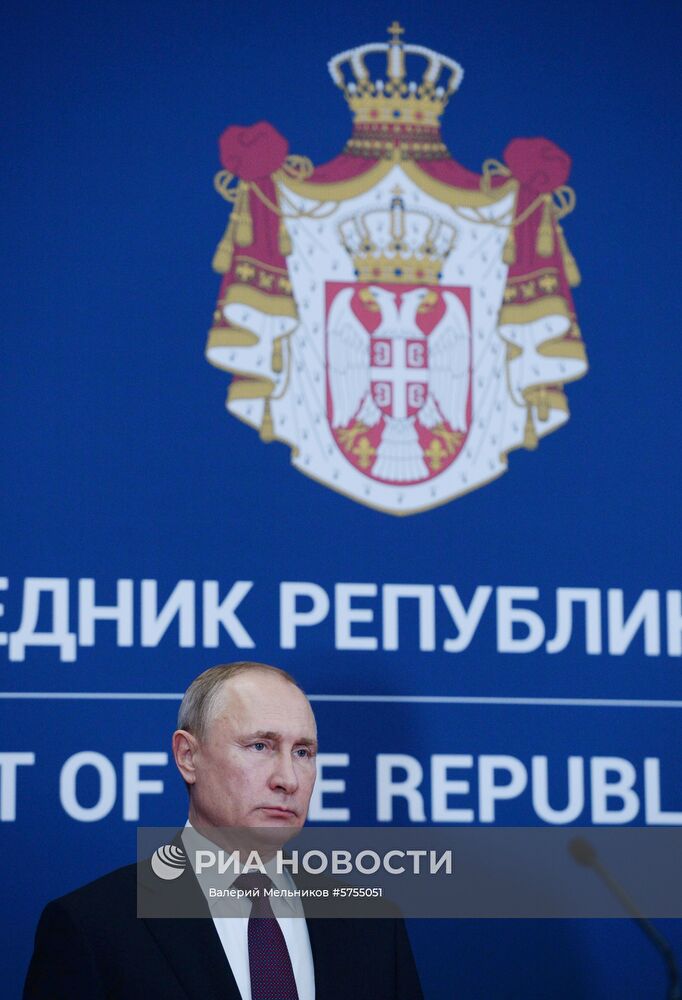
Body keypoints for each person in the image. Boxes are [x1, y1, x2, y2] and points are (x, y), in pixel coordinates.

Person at [23, 661, 424, 999]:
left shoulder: (373, 924)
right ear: (187, 756)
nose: (288, 779)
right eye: (260, 746)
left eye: (303, 752)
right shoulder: (93, 925)